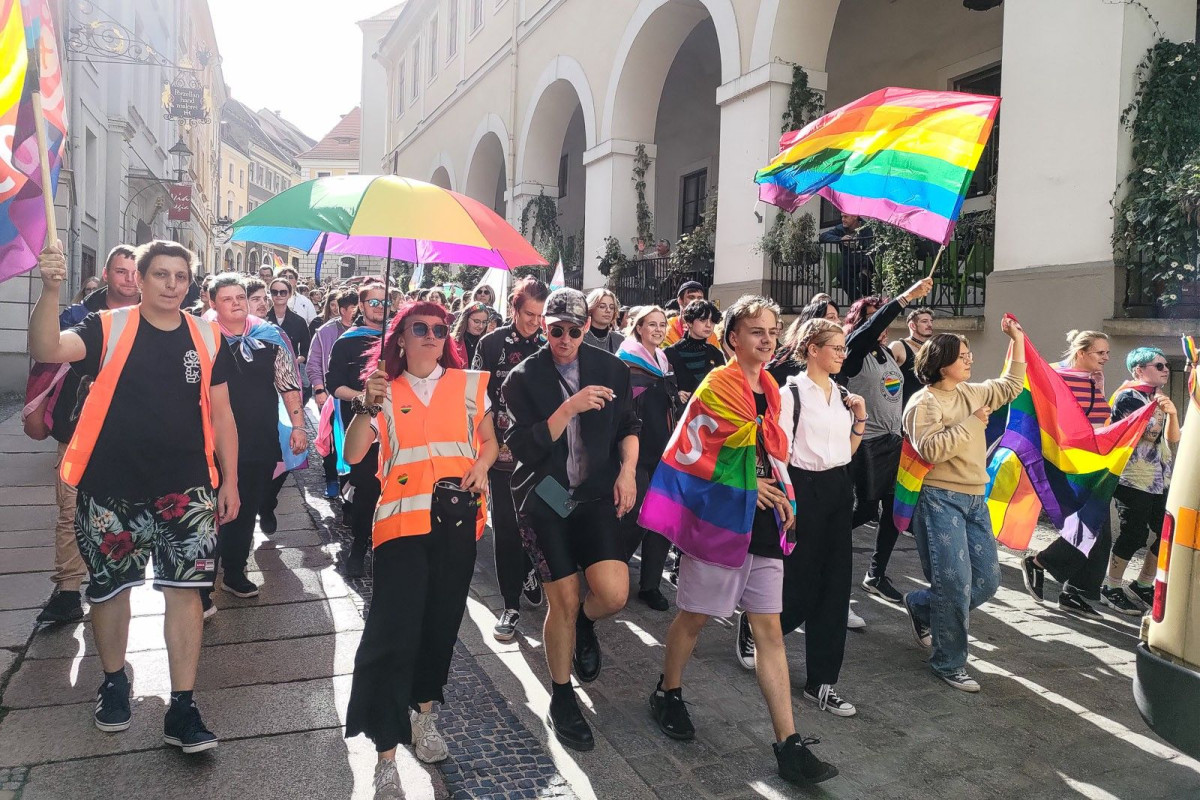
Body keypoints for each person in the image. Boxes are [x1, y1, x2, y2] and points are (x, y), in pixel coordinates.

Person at [29, 239, 239, 751]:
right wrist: (50, 289)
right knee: (108, 591)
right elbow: (47, 349)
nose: (172, 284)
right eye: (161, 275)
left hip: (186, 489)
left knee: (186, 594)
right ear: (139, 280)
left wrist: (230, 479)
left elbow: (222, 413)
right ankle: (114, 681)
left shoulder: (208, 337)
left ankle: (183, 706)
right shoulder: (108, 327)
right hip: (111, 487)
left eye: (181, 276)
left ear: (190, 284)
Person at [643, 295, 838, 786]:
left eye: (773, 331)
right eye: (756, 331)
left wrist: (784, 495)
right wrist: (752, 491)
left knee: (768, 631)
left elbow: (773, 454)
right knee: (695, 616)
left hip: (765, 523)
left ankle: (788, 745)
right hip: (722, 520)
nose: (768, 339)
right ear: (733, 338)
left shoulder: (771, 388)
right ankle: (668, 691)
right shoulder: (717, 385)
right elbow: (692, 454)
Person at [342, 300, 497, 799]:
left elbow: (489, 440)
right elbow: (352, 453)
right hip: (401, 524)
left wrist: (483, 465)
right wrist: (368, 404)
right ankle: (385, 750)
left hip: (457, 521)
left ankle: (424, 713)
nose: (431, 335)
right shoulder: (383, 391)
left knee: (441, 623)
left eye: (439, 328)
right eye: (419, 328)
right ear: (401, 339)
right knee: (392, 632)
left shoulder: (470, 383)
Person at [502, 287, 640, 752]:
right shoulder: (523, 377)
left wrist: (628, 472)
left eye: (573, 331)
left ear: (587, 331)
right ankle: (561, 696)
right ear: (543, 328)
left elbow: (629, 426)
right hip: (545, 495)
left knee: (614, 594)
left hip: (596, 493)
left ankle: (585, 621)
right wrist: (568, 407)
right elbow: (522, 448)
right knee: (560, 599)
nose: (564, 339)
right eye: (555, 330)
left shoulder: (612, 368)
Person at [748, 318, 868, 719]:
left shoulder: (843, 395)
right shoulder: (791, 394)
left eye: (843, 348)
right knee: (799, 581)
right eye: (836, 347)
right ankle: (759, 629)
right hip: (801, 489)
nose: (842, 354)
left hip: (837, 487)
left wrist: (861, 420)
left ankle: (822, 681)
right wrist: (787, 502)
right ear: (812, 349)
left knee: (835, 586)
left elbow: (847, 453)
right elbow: (777, 452)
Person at [902, 320, 1026, 692]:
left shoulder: (972, 392)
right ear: (942, 364)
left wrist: (1017, 340)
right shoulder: (923, 402)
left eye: (969, 353)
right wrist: (972, 423)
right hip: (939, 498)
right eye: (962, 355)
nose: (970, 359)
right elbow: (932, 450)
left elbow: (1011, 385)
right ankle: (948, 661)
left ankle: (923, 606)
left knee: (987, 581)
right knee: (954, 585)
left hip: (976, 499)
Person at [30, 244, 139, 624]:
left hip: (131, 437)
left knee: (120, 514)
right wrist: (50, 288)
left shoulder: (153, 317)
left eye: (134, 271)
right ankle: (67, 591)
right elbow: (45, 350)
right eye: (121, 271)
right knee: (70, 513)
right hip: (79, 431)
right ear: (107, 273)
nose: (128, 279)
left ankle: (109, 580)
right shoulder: (79, 316)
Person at [203, 274, 306, 613]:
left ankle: (234, 571)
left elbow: (288, 382)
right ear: (212, 302)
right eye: (227, 297)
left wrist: (298, 425)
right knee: (208, 512)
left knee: (245, 508)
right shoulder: (202, 336)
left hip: (258, 435)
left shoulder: (270, 335)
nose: (236, 302)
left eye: (240, 297)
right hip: (210, 438)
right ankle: (202, 582)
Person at [841, 280, 932, 616]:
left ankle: (876, 574)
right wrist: (905, 297)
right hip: (867, 444)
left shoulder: (886, 351)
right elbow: (868, 330)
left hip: (896, 441)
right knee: (865, 511)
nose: (881, 326)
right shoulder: (855, 351)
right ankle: (816, 537)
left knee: (895, 511)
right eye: (873, 318)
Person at [471, 277, 550, 641]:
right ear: (515, 309)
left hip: (541, 455)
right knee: (505, 525)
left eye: (540, 315)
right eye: (529, 314)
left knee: (540, 520)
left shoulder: (551, 345)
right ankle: (510, 604)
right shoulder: (490, 344)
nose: (535, 321)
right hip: (500, 454)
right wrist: (487, 449)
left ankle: (530, 567)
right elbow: (475, 399)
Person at [1020, 330, 1115, 619]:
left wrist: (1099, 389)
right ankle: (1044, 565)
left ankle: (1072, 590)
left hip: (1088, 463)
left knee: (1098, 530)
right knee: (1091, 525)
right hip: (1061, 464)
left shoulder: (1092, 380)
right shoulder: (1055, 375)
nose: (1106, 358)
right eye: (1100, 352)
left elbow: (1098, 422)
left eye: (1107, 352)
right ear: (1081, 352)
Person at [1101, 347, 1180, 614]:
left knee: (1166, 532)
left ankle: (1143, 584)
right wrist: (1159, 407)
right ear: (1139, 370)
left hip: (1159, 477)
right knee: (1134, 533)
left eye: (1166, 365)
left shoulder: (1155, 398)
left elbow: (1172, 438)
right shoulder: (1128, 396)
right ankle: (1111, 587)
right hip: (1132, 478)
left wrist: (1173, 413)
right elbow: (1149, 433)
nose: (1166, 369)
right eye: (1158, 366)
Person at [617, 306, 678, 611]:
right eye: (651, 324)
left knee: (661, 518)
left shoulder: (664, 361)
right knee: (633, 516)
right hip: (637, 450)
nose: (657, 329)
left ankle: (650, 585)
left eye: (662, 324)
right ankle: (610, 571)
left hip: (663, 450)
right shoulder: (626, 361)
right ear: (638, 327)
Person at [326, 282, 388, 576]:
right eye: (373, 302)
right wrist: (362, 397)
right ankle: (359, 547)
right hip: (361, 426)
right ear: (361, 306)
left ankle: (386, 547)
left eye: (385, 302)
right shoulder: (347, 342)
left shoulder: (399, 337)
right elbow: (334, 386)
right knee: (367, 489)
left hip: (395, 426)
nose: (380, 308)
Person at [309, 291, 361, 499]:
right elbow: (314, 364)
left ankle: (352, 484)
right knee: (331, 440)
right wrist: (320, 389)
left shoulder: (368, 332)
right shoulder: (325, 332)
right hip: (333, 397)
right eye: (353, 309)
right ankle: (332, 478)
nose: (357, 312)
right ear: (342, 310)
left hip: (358, 397)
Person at [664, 299, 724, 402]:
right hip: (682, 415)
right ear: (689, 322)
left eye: (712, 320)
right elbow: (662, 388)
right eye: (703, 320)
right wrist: (675, 395)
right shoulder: (669, 354)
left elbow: (723, 388)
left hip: (710, 414)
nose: (709, 325)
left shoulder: (716, 354)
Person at [819, 213, 875, 298]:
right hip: (850, 265)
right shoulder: (840, 229)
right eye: (842, 216)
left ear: (855, 217)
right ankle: (858, 302)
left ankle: (870, 302)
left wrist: (865, 268)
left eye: (845, 217)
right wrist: (840, 239)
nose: (843, 219)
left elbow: (870, 250)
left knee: (863, 278)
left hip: (865, 265)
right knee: (841, 274)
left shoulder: (866, 229)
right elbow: (823, 236)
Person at [890, 307, 934, 406]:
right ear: (913, 325)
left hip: (926, 407)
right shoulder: (898, 346)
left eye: (931, 321)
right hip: (902, 407)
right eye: (924, 321)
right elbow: (883, 376)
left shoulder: (933, 349)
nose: (930, 324)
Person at [662, 281, 720, 347]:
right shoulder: (667, 329)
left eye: (700, 298)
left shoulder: (710, 334)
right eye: (691, 297)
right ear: (680, 300)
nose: (696, 301)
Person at [584, 288, 624, 354]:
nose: (608, 310)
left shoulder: (619, 340)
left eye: (611, 307)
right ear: (591, 309)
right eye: (602, 306)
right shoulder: (579, 337)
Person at [450, 301, 489, 366]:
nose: (481, 326)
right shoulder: (451, 341)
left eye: (484, 322)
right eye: (477, 321)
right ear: (466, 319)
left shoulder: (488, 342)